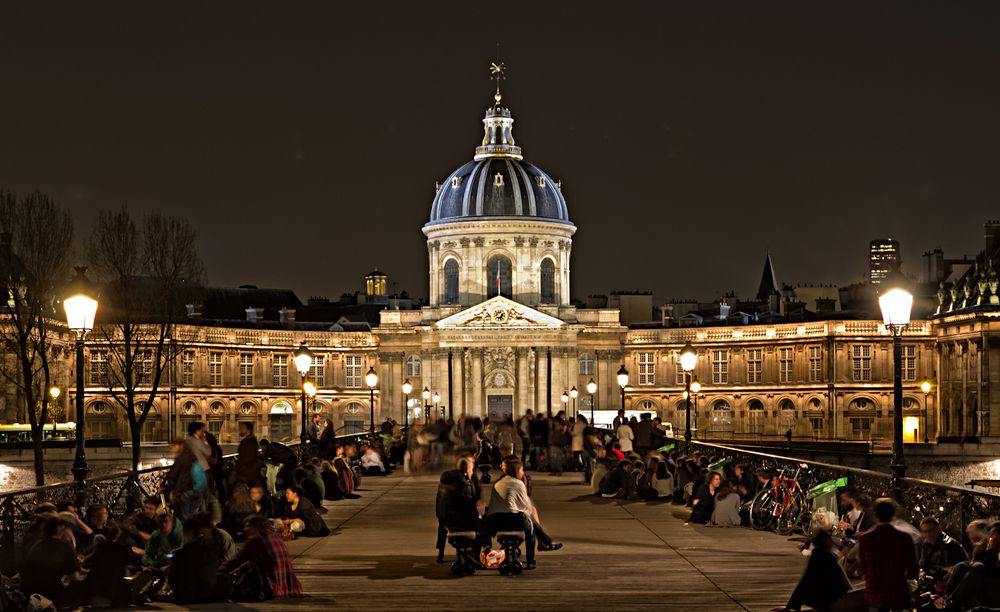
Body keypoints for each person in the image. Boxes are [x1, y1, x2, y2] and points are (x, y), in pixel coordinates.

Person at [856, 498, 918, 612]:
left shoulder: (866, 538)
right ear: (893, 513)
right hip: (898, 588)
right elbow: (912, 567)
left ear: (875, 515)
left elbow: (863, 566)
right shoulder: (904, 538)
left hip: (875, 589)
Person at [771, 529, 853, 612]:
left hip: (834, 598)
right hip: (836, 595)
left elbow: (806, 580)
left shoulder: (820, 555)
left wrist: (790, 606)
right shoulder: (824, 554)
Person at [222, 515, 302, 599]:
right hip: (288, 587)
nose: (245, 530)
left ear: (255, 527)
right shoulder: (276, 537)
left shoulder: (256, 541)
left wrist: (218, 571)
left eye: (247, 526)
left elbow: (235, 562)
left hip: (271, 589)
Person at [486, 457, 536, 570]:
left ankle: (546, 540)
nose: (523, 472)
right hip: (513, 521)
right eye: (522, 470)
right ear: (517, 470)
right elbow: (526, 507)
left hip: (495, 521)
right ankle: (530, 560)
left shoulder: (497, 483)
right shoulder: (518, 483)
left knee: (528, 519)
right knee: (531, 527)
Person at [19, 516, 82, 606]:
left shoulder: (36, 545)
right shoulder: (63, 546)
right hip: (51, 595)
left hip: (30, 595)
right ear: (60, 529)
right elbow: (75, 577)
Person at [435, 456, 483, 563]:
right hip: (457, 522)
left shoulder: (446, 481)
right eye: (472, 468)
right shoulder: (464, 484)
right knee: (483, 525)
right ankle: (475, 555)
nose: (473, 471)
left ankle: (441, 553)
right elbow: (469, 506)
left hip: (444, 520)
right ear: (466, 470)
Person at [168, 518, 222, 605]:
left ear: (191, 532)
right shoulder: (212, 546)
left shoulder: (182, 552)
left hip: (187, 596)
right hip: (206, 593)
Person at [84, 521, 133, 607]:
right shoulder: (121, 549)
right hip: (111, 594)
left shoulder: (101, 546)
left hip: (93, 592)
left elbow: (91, 561)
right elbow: (128, 564)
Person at [163, 437, 203, 522]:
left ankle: (185, 534)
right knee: (192, 515)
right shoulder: (194, 456)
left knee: (184, 518)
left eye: (174, 446)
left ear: (181, 446)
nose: (171, 448)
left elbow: (172, 474)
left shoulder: (181, 458)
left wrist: (163, 485)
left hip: (185, 490)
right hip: (196, 489)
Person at [918, 516, 967, 580]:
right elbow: (923, 566)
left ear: (938, 529)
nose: (927, 534)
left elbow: (949, 572)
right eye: (924, 531)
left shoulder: (948, 545)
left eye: (930, 531)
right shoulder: (926, 545)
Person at [235, 421, 261, 485]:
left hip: (247, 474)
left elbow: (249, 457)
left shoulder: (250, 441)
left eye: (243, 428)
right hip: (248, 473)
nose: (240, 430)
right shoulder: (249, 440)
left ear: (249, 430)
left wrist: (239, 464)